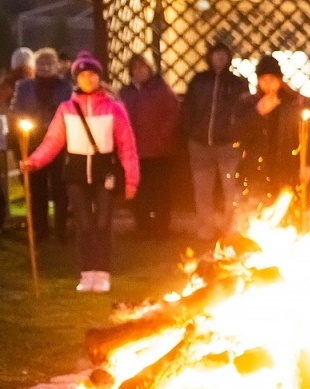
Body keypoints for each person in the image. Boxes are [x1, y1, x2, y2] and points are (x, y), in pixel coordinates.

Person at [21, 53, 139, 292]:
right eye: (83, 75)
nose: (88, 79)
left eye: (92, 74)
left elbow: (127, 146)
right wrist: (33, 161)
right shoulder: (67, 109)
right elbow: (53, 141)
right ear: (77, 78)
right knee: (84, 225)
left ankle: (103, 272)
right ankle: (87, 273)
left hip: (103, 170)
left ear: (99, 77)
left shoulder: (114, 108)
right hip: (75, 172)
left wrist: (132, 179)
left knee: (104, 223)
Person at [182, 40, 249, 242]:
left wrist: (237, 133)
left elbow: (245, 112)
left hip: (228, 144)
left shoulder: (237, 83)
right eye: (216, 54)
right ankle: (206, 228)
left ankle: (231, 228)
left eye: (223, 54)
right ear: (209, 57)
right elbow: (188, 108)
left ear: (228, 58)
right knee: (202, 191)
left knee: (231, 190)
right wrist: (191, 133)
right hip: (200, 144)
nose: (219, 58)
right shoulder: (198, 81)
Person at [235, 54, 310, 211]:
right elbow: (238, 133)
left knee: (288, 212)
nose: (268, 83)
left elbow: (308, 135)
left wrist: (309, 163)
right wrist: (257, 113)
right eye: (263, 79)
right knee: (257, 213)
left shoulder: (294, 103)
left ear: (280, 79)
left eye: (272, 78)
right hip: (257, 172)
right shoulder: (248, 103)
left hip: (287, 169)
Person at [10, 47, 72, 242]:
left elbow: (72, 110)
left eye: (49, 64)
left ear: (56, 66)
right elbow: (15, 110)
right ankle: (41, 229)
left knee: (59, 187)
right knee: (37, 188)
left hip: (58, 143)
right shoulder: (24, 87)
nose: (45, 67)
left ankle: (61, 229)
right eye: (41, 63)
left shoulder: (65, 88)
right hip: (34, 142)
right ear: (35, 66)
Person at [120, 53, 182, 239]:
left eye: (142, 68)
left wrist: (162, 134)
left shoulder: (161, 89)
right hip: (135, 151)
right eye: (135, 68)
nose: (139, 71)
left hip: (159, 151)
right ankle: (143, 226)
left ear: (149, 69)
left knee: (160, 191)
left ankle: (161, 227)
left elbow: (174, 114)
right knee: (139, 191)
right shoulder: (126, 93)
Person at [1, 46, 34, 231]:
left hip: (24, 135)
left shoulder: (30, 82)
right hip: (18, 135)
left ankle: (32, 214)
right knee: (26, 177)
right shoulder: (10, 84)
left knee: (27, 177)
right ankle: (30, 214)